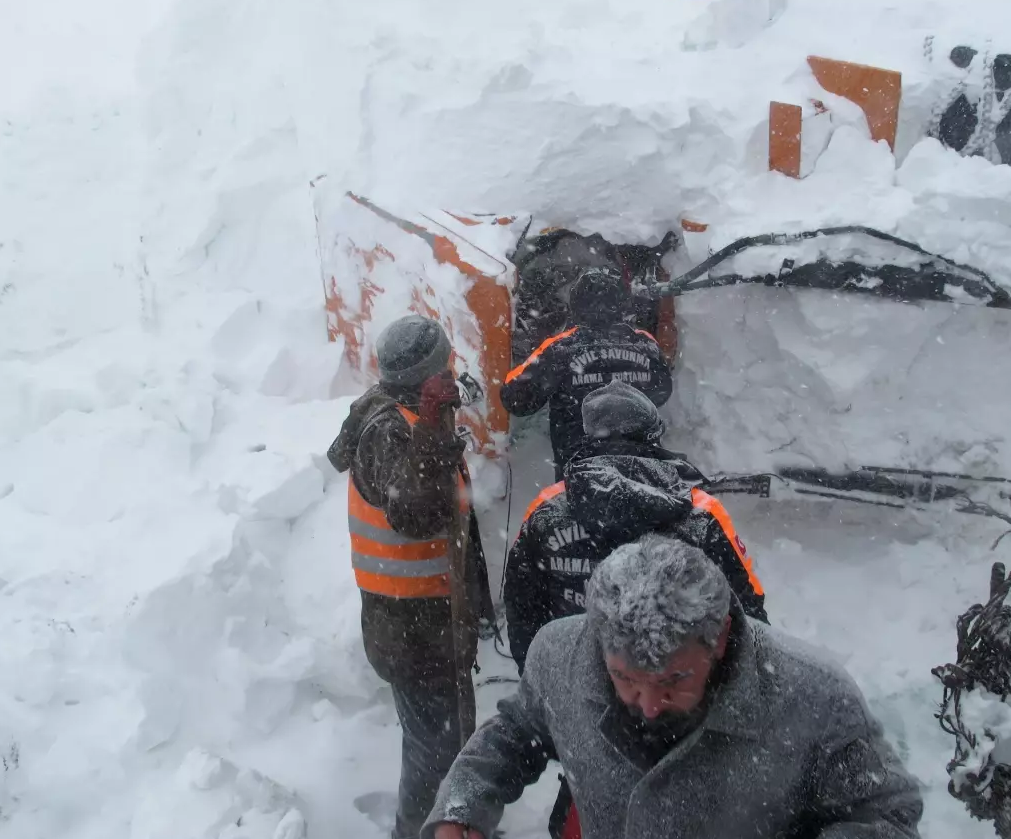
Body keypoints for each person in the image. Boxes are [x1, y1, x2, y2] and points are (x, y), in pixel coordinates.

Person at [423, 536, 923, 839]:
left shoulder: (812, 694)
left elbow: (884, 814)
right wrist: (460, 807)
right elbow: (515, 734)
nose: (648, 705)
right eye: (625, 678)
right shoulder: (560, 655)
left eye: (673, 680)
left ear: (721, 636)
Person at [504, 380, 769, 839]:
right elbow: (751, 621)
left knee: (585, 811)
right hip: (681, 711)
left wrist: (554, 690)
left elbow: (521, 614)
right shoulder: (700, 515)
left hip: (583, 708)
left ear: (590, 435)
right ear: (652, 434)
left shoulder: (546, 513)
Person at [327, 314, 496, 839]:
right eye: (443, 367)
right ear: (420, 377)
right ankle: (418, 831)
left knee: (447, 736)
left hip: (429, 619)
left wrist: (442, 408)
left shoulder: (400, 409)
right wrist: (431, 426)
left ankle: (453, 824)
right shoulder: (388, 430)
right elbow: (414, 511)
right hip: (411, 629)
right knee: (435, 747)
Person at [501, 269, 673, 480]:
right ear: (621, 305)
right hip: (643, 476)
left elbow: (515, 398)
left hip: (582, 478)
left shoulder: (560, 348)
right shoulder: (645, 343)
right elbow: (663, 391)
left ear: (575, 306)